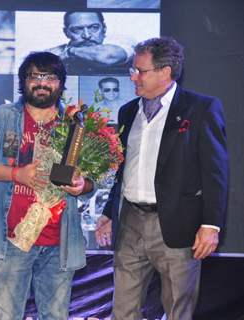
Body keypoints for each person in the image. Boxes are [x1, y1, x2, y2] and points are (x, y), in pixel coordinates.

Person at [95, 37, 229, 320]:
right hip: (130, 221)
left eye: (139, 71)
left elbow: (216, 172)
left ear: (165, 72)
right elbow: (124, 168)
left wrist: (210, 225)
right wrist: (109, 212)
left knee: (178, 310)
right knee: (123, 310)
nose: (133, 77)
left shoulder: (201, 109)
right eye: (133, 70)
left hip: (177, 226)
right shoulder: (128, 111)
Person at [0, 51, 94, 319]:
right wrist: (18, 175)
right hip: (12, 240)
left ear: (61, 83)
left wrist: (82, 185)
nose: (42, 83)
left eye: (49, 77)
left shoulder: (76, 123)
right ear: (23, 81)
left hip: (59, 241)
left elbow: (94, 178)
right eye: (34, 76)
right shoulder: (4, 116)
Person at [47, 11, 133, 74]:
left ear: (104, 28)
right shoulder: (53, 52)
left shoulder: (121, 42)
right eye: (77, 29)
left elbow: (106, 56)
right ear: (66, 32)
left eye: (94, 27)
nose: (87, 35)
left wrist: (69, 52)